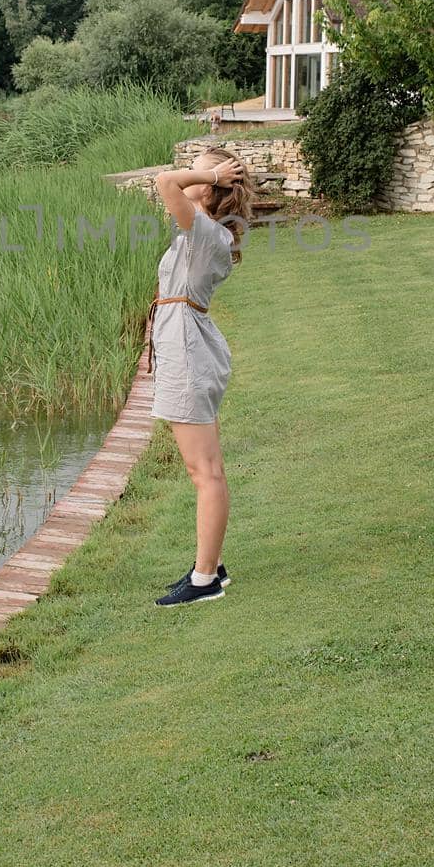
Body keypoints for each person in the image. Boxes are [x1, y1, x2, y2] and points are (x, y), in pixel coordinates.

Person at [148, 146, 255, 607]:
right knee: (205, 469)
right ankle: (209, 565)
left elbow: (164, 183)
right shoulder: (204, 231)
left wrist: (209, 172)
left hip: (189, 353)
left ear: (214, 188)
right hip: (188, 346)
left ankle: (205, 578)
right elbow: (170, 188)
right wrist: (209, 174)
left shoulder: (206, 232)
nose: (193, 176)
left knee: (204, 471)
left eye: (204, 170)